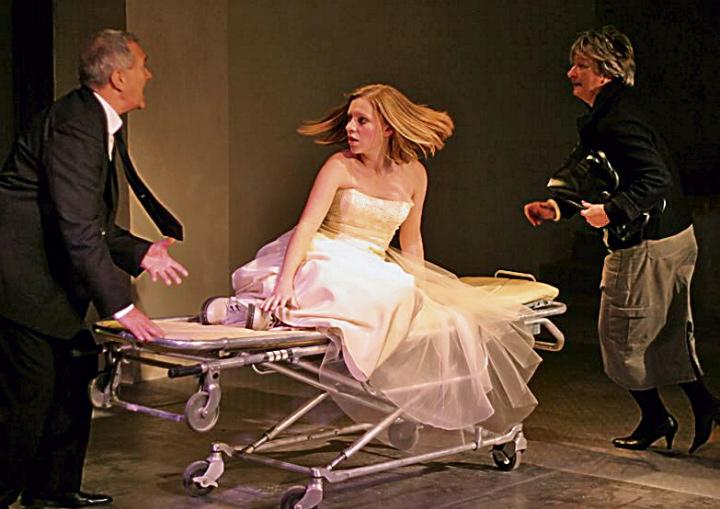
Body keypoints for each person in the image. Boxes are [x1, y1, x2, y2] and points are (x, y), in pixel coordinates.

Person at [202, 83, 542, 435]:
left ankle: (260, 315)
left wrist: (423, 285)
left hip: (373, 262)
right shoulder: (339, 166)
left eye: (361, 121)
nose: (350, 128)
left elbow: (411, 240)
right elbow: (307, 226)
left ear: (388, 128)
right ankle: (261, 312)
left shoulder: (415, 174)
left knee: (406, 295)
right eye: (350, 119)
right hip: (328, 250)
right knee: (341, 284)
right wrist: (284, 282)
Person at [0, 30, 188, 508]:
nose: (149, 75)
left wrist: (141, 253)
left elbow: (90, 221)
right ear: (119, 77)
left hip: (44, 278)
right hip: (19, 279)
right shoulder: (77, 125)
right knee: (26, 398)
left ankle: (52, 490)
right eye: (143, 65)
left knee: (72, 376)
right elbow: (78, 227)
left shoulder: (94, 120)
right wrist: (121, 307)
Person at [524, 26, 719, 453]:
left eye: (581, 65)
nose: (571, 72)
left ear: (606, 73)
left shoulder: (618, 120)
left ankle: (663, 415)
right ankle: (694, 409)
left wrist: (611, 211)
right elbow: (596, 171)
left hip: (649, 245)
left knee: (620, 338)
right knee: (663, 333)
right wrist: (557, 206)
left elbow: (654, 179)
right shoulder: (612, 115)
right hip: (669, 237)